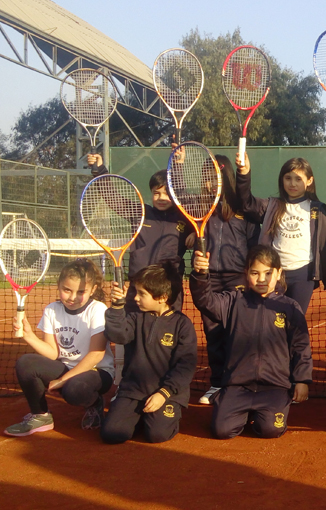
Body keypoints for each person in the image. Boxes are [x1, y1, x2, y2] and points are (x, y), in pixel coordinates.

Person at [190, 245, 312, 440]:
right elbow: (206, 301)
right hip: (238, 385)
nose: (261, 279)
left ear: (279, 273)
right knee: (221, 431)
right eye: (255, 273)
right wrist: (200, 275)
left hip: (275, 386)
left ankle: (264, 412)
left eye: (268, 273)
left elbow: (300, 346)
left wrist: (302, 380)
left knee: (271, 430)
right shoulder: (233, 301)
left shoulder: (290, 307)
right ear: (246, 273)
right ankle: (233, 405)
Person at [4, 259, 114, 436]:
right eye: (67, 290)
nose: (72, 297)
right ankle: (41, 416)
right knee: (26, 363)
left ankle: (94, 404)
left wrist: (64, 380)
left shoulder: (97, 310)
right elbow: (53, 352)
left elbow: (96, 355)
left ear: (92, 290)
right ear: (59, 286)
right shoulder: (52, 310)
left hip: (96, 371)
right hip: (66, 369)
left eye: (81, 291)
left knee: (74, 389)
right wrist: (29, 336)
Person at [101, 262, 197, 444]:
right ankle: (135, 417)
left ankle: (167, 417)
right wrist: (116, 307)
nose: (136, 298)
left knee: (157, 435)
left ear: (162, 297)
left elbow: (185, 366)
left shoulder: (182, 325)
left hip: (166, 393)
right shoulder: (135, 317)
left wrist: (164, 393)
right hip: (133, 390)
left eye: (142, 294)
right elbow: (117, 335)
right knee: (112, 434)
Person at [87, 153, 192, 313]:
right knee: (133, 332)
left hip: (169, 287)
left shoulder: (185, 216)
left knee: (167, 332)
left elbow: (205, 230)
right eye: (156, 193)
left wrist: (195, 236)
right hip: (138, 287)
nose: (161, 197)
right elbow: (113, 198)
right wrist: (100, 170)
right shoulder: (141, 212)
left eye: (167, 193)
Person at [196, 153, 261, 406]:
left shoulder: (243, 208)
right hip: (208, 278)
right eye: (207, 177)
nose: (212, 182)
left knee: (238, 333)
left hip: (237, 279)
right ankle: (217, 383)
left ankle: (240, 383)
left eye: (217, 176)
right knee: (213, 333)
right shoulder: (199, 208)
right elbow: (174, 191)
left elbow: (254, 246)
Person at [236, 154, 326, 313]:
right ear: (282, 180)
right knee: (271, 318)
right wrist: (244, 173)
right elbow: (246, 203)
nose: (292, 183)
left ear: (309, 181)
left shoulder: (316, 209)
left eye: (298, 179)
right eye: (288, 178)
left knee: (295, 319)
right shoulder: (272, 205)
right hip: (274, 274)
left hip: (303, 275)